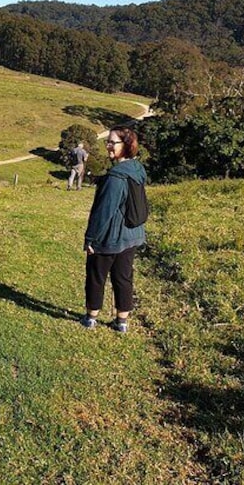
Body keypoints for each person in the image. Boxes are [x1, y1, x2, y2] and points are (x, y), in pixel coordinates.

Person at [81, 126, 147, 333]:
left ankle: (91, 318)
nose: (108, 146)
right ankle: (122, 322)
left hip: (111, 237)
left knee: (96, 276)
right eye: (107, 142)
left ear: (126, 145)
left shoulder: (116, 177)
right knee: (124, 277)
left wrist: (90, 238)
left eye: (112, 142)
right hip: (132, 235)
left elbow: (104, 212)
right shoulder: (137, 169)